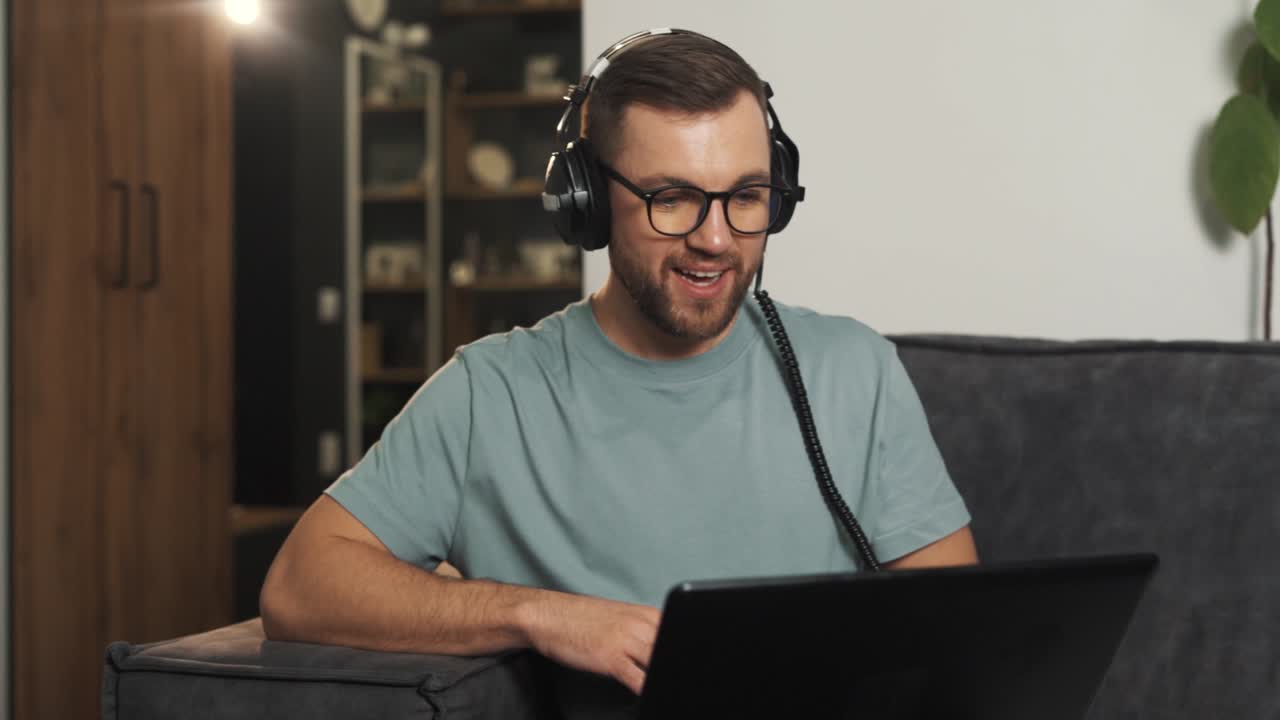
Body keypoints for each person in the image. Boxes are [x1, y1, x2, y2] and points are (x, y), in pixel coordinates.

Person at [260, 28, 977, 716]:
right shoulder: (490, 393)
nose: (716, 239)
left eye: (745, 197)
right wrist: (542, 615)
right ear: (590, 203)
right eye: (673, 199)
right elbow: (299, 587)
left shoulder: (855, 370)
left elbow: (963, 640)